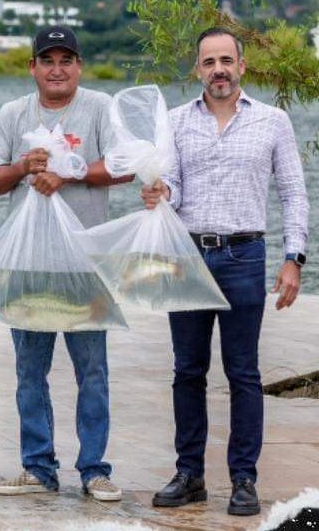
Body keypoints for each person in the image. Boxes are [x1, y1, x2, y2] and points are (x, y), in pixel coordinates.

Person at [144, 27, 308, 517]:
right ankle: (189, 474)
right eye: (208, 62)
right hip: (188, 255)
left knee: (244, 373)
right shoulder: (174, 122)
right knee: (188, 371)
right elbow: (170, 179)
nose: (218, 69)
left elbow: (294, 194)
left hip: (244, 256)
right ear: (197, 69)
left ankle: (243, 479)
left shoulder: (274, 122)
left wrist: (293, 258)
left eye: (225, 60)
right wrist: (160, 193)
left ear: (242, 66)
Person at [0, 26, 131, 502]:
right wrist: (25, 168)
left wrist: (71, 171)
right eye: (48, 60)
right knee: (30, 373)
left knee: (93, 372)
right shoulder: (11, 113)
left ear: (80, 66)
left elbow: (126, 167)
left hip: (84, 266)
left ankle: (95, 469)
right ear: (33, 67)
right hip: (28, 265)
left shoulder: (101, 108)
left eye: (67, 60)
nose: (58, 69)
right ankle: (38, 467)